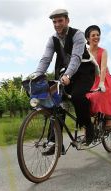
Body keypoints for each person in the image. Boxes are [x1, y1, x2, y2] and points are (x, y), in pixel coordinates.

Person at [34, 9, 96, 153]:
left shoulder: (78, 35)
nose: (57, 24)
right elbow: (46, 59)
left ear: (67, 20)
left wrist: (68, 75)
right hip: (64, 74)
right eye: (54, 22)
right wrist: (37, 75)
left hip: (83, 72)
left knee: (78, 96)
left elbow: (76, 57)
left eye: (60, 20)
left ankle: (88, 126)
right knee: (54, 102)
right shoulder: (52, 39)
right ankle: (55, 142)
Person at [84, 25, 111, 128]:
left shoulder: (103, 51)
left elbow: (103, 68)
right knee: (85, 97)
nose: (96, 37)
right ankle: (89, 124)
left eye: (98, 35)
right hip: (90, 78)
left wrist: (102, 83)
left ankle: (108, 117)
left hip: (102, 78)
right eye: (93, 35)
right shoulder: (85, 52)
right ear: (87, 38)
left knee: (101, 94)